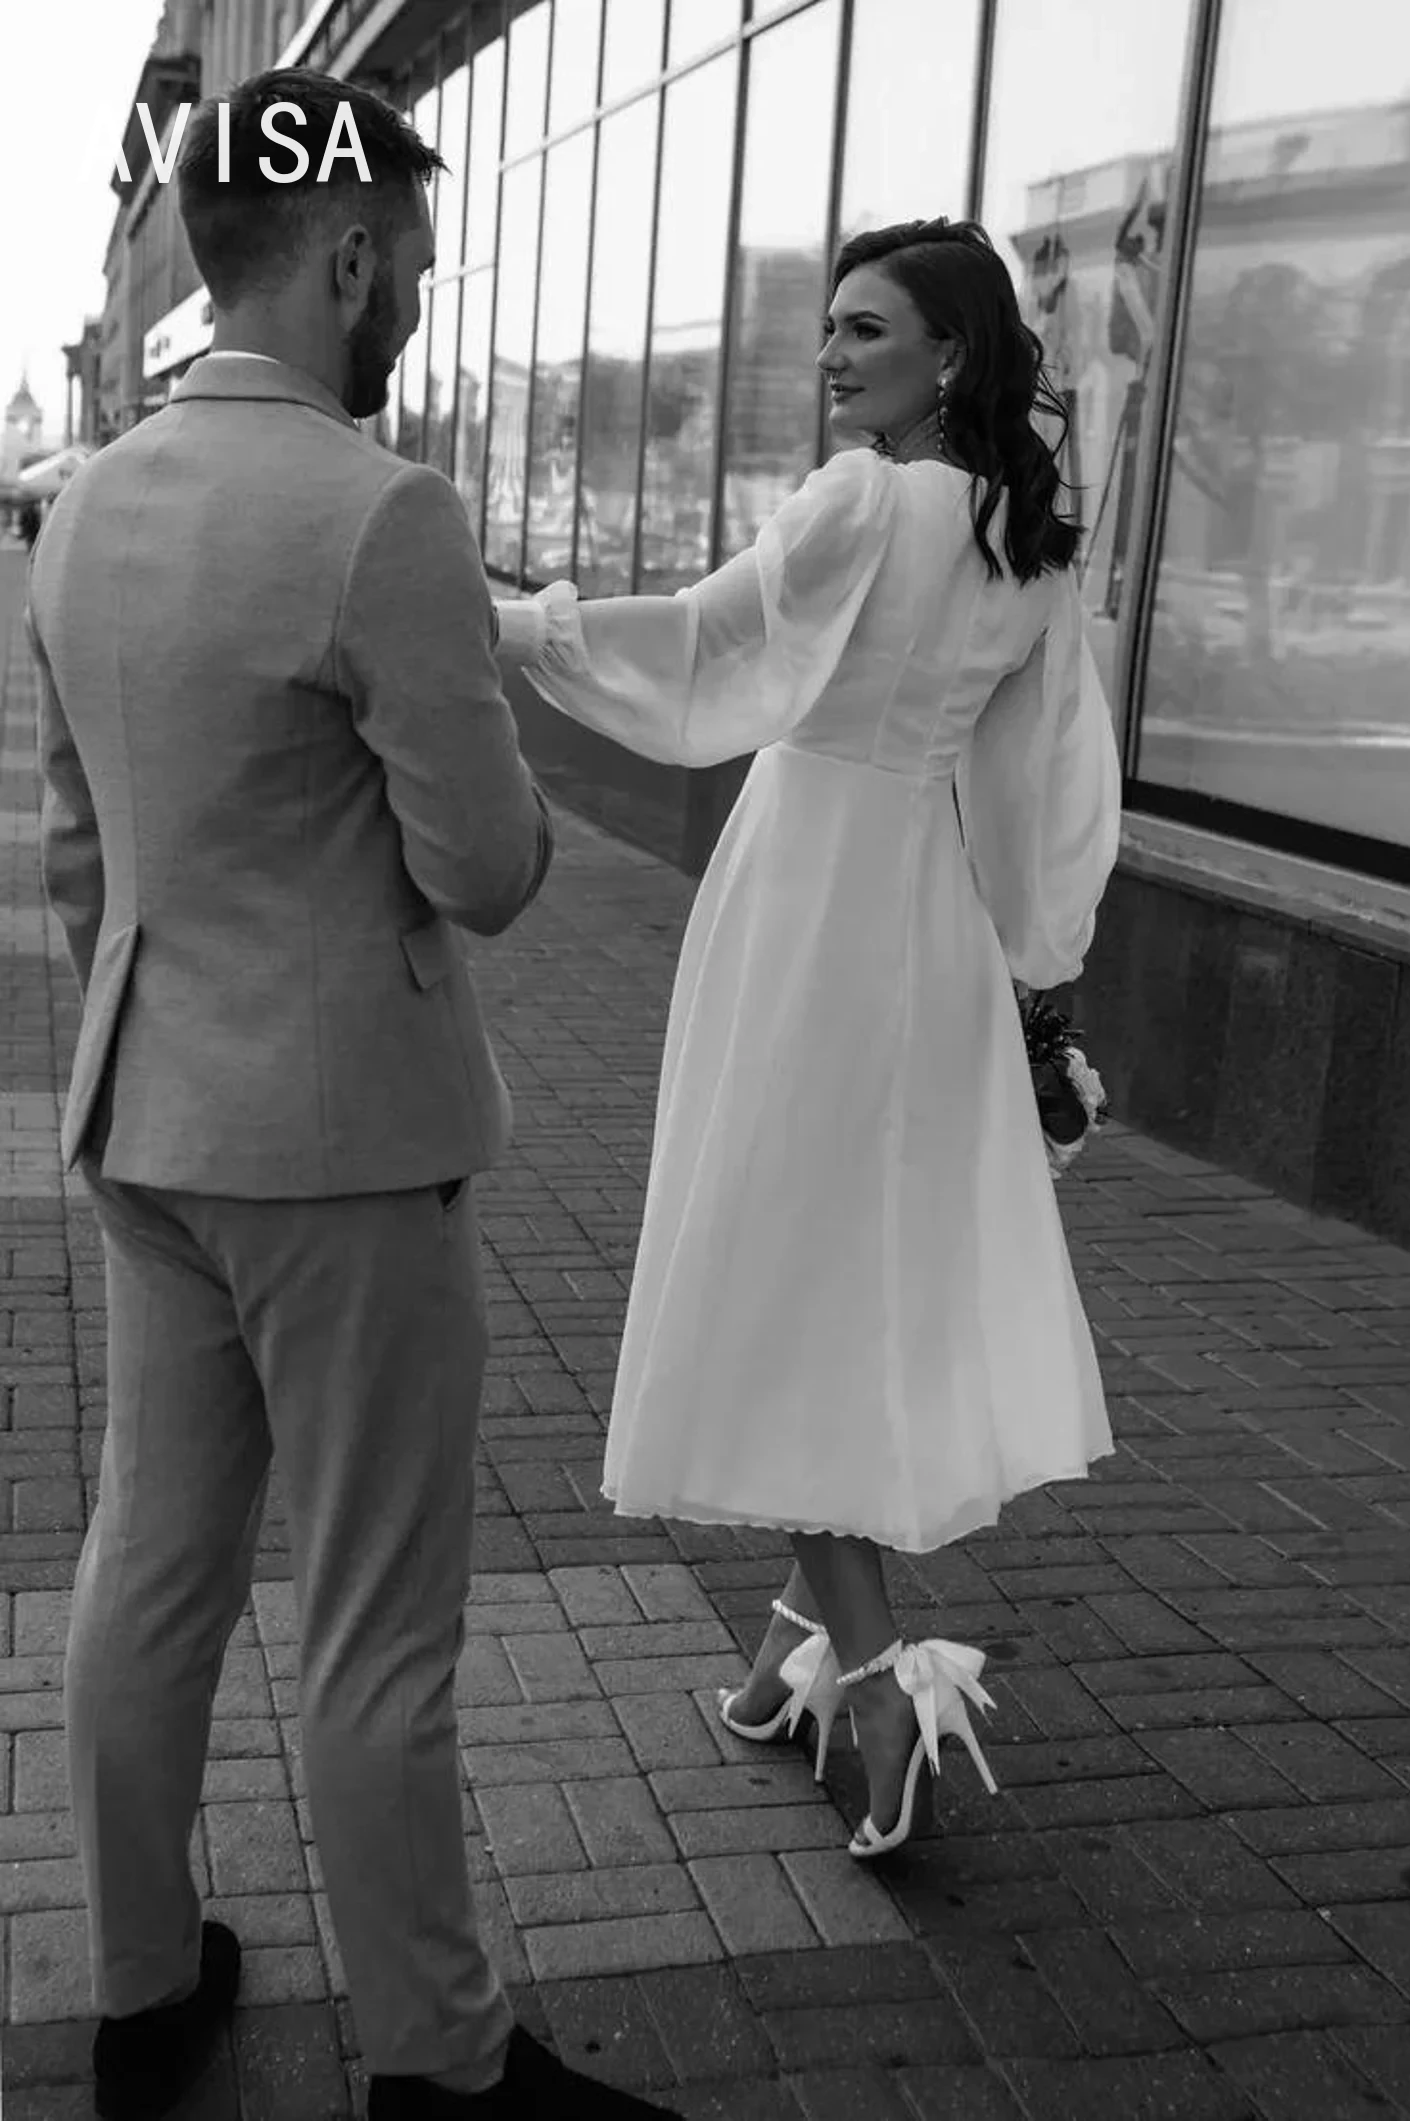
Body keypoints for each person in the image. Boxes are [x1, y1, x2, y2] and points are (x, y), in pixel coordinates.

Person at [27, 68, 672, 2121]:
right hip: (344, 1151)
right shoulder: (377, 513)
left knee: (151, 1569)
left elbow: (75, 856)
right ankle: (437, 2061)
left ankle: (140, 1989)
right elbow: (484, 869)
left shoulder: (92, 500)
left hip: (145, 1119)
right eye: (408, 252)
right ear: (352, 252)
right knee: (381, 1626)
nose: (413, 289)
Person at [497, 218, 1120, 1861]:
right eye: (832, 327)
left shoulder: (867, 501)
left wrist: (524, 630)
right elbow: (1049, 785)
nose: (833, 353)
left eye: (866, 329)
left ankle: (879, 1675)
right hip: (924, 916)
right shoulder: (1031, 539)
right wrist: (1037, 971)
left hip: (807, 902)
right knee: (844, 1267)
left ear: (953, 356)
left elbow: (713, 650)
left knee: (778, 1271)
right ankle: (783, 1677)